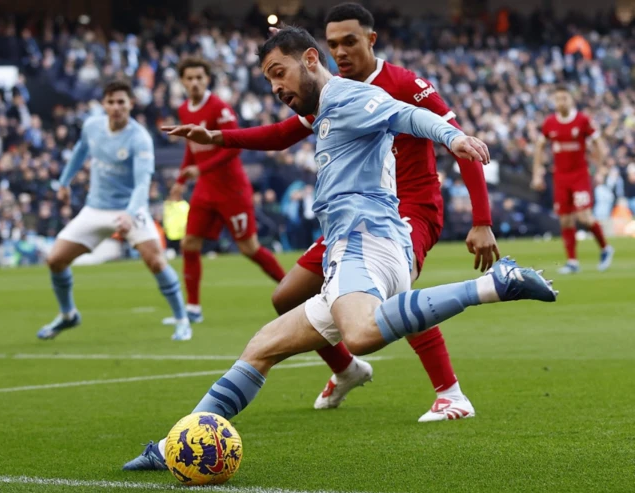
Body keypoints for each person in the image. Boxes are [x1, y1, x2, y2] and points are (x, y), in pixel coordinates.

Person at [124, 26, 556, 471]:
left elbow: (405, 115)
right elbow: (278, 133)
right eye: (268, 80)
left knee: (362, 334)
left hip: (367, 241)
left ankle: (492, 285)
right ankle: (172, 446)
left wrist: (453, 138)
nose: (275, 88)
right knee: (261, 348)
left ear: (310, 60)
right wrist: (218, 138)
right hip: (345, 253)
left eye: (279, 73)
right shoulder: (325, 108)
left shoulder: (349, 96)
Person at [160, 3, 499, 422]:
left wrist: (482, 220)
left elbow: (451, 136)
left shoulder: (404, 85)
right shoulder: (328, 93)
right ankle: (346, 368)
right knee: (287, 296)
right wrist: (218, 137)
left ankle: (450, 392)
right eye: (333, 43)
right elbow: (282, 134)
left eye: (349, 42)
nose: (340, 51)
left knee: (393, 290)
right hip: (348, 219)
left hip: (408, 205)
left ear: (370, 40)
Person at [37, 80, 192, 341]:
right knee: (55, 260)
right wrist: (64, 182)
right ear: (103, 104)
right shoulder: (92, 126)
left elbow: (143, 181)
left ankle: (182, 319)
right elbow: (79, 151)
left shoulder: (139, 138)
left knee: (155, 260)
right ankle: (68, 315)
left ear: (131, 104)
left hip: (130, 208)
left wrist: (130, 213)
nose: (116, 107)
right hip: (95, 208)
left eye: (121, 102)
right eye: (111, 102)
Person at [162, 58, 286, 327]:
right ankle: (193, 308)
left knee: (249, 248)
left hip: (232, 190)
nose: (194, 82)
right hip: (205, 190)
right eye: (189, 78)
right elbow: (191, 148)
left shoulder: (220, 108)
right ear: (182, 82)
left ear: (207, 80)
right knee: (189, 244)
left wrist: (201, 169)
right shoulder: (184, 109)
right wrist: (182, 179)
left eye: (199, 77)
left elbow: (235, 146)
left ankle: (293, 290)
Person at [532, 84, 614, 274]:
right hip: (560, 176)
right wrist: (537, 172)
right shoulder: (550, 122)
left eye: (564, 98)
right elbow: (539, 146)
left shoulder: (582, 120)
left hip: (579, 176)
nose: (561, 102)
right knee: (565, 220)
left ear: (571, 100)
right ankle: (572, 261)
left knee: (583, 217)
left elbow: (599, 144)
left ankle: (605, 247)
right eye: (558, 99)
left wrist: (601, 170)